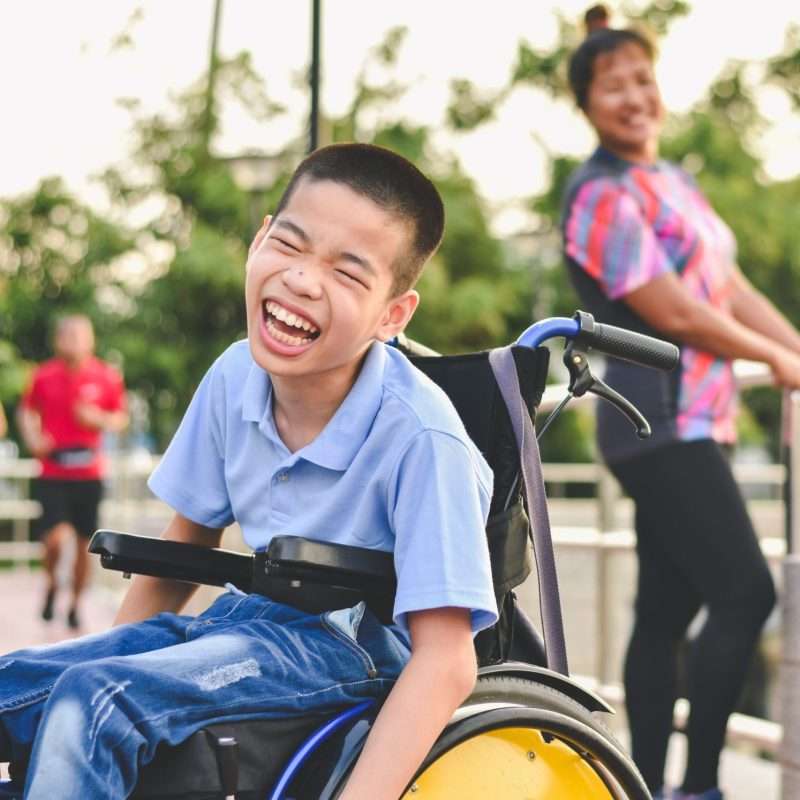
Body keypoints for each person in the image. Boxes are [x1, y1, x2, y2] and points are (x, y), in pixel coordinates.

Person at [0, 144, 497, 800]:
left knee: (96, 702)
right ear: (260, 238)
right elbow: (183, 547)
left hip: (349, 644)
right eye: (289, 245)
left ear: (392, 315)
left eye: (348, 273)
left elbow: (448, 660)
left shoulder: (421, 434)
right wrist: (117, 662)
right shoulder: (236, 374)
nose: (303, 280)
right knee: (23, 692)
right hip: (241, 622)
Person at [561, 7, 800, 800]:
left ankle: (645, 784)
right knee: (744, 591)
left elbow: (727, 288)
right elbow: (676, 312)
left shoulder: (674, 183)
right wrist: (771, 357)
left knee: (667, 605)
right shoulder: (597, 195)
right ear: (588, 105)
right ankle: (698, 787)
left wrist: (793, 350)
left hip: (704, 417)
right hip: (653, 419)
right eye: (612, 86)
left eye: (642, 79)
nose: (633, 96)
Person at [17, 314, 128, 630]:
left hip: (89, 472)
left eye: (81, 335)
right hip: (52, 469)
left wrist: (98, 419)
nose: (75, 341)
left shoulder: (106, 376)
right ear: (58, 339)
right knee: (54, 539)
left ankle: (76, 603)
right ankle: (52, 582)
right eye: (69, 335)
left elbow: (120, 419)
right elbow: (27, 410)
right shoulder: (43, 375)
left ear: (91, 339)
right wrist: (33, 437)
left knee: (83, 544)